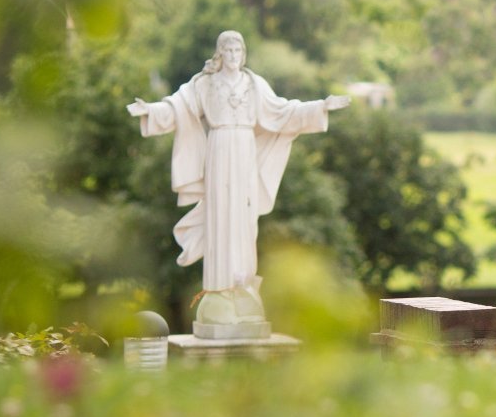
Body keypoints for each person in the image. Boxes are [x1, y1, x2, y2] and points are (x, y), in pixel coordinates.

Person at [126, 30, 350, 337]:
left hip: (245, 150)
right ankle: (219, 289)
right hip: (219, 149)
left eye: (238, 51)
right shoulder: (204, 83)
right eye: (228, 51)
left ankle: (243, 287)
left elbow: (284, 112)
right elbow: (179, 107)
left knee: (244, 221)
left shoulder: (254, 84)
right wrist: (150, 110)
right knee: (220, 216)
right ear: (220, 54)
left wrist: (321, 106)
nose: (233, 56)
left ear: (243, 54)